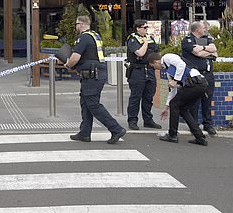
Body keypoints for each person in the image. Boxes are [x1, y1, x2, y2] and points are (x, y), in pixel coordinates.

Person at [64, 15, 126, 144]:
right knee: (86, 102)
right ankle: (85, 133)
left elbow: (75, 57)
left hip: (92, 75)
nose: (76, 27)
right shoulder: (95, 36)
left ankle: (116, 129)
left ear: (81, 24)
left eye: (76, 24)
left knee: (92, 103)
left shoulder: (84, 37)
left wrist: (68, 65)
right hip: (96, 74)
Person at [148, 52, 208, 146]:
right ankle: (199, 137)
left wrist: (175, 80)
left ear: (156, 62)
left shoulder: (167, 57)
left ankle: (172, 135)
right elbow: (173, 90)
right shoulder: (168, 71)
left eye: (153, 66)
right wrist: (166, 107)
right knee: (183, 109)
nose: (155, 69)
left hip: (195, 83)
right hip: (198, 85)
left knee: (175, 104)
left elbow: (181, 65)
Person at [181, 21, 218, 135]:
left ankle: (208, 125)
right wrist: (210, 53)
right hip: (195, 76)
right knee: (194, 102)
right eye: (203, 27)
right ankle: (194, 125)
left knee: (207, 100)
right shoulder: (187, 40)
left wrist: (203, 48)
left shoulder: (206, 38)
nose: (205, 29)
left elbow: (215, 50)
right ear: (197, 29)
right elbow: (197, 53)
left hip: (208, 74)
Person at [125, 19, 162, 130]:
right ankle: (132, 120)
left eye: (147, 27)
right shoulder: (133, 39)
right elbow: (140, 53)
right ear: (138, 28)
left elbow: (156, 52)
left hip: (149, 70)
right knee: (135, 97)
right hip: (137, 70)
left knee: (148, 97)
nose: (146, 29)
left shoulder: (150, 38)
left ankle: (148, 120)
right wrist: (145, 42)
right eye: (144, 27)